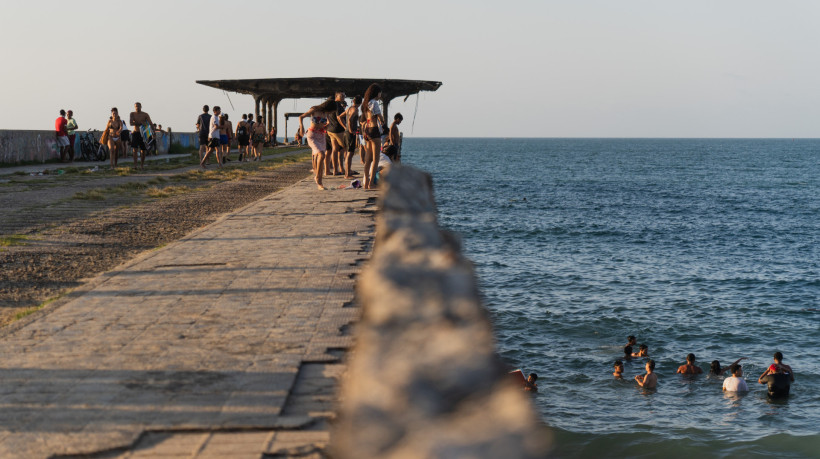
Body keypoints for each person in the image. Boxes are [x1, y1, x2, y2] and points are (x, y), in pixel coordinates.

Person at [298, 97, 336, 190]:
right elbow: (301, 117)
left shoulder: (326, 113)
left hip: (321, 136)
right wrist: (302, 127)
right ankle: (318, 179)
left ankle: (319, 179)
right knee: (322, 155)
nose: (331, 112)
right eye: (331, 110)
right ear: (328, 107)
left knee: (322, 157)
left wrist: (326, 126)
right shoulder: (314, 110)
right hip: (312, 135)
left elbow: (327, 123)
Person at [361, 83, 385, 189]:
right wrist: (383, 123)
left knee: (368, 159)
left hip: (367, 130)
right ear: (377, 93)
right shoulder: (374, 103)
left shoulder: (366, 103)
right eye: (380, 93)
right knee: (376, 159)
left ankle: (366, 183)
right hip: (374, 130)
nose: (380, 95)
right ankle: (371, 183)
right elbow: (380, 117)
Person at [325, 91, 346, 176]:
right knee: (346, 148)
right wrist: (345, 127)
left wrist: (328, 122)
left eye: (344, 95)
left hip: (330, 130)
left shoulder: (331, 105)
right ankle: (345, 169)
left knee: (335, 149)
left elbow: (327, 115)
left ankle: (335, 171)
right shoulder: (338, 106)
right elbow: (339, 118)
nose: (344, 97)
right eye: (342, 95)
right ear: (336, 96)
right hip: (338, 130)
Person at [129, 102, 154, 169]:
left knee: (143, 150)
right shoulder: (132, 114)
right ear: (134, 107)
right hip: (136, 132)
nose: (137, 108)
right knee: (135, 149)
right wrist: (141, 123)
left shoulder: (145, 114)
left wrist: (153, 133)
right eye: (136, 106)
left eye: (138, 106)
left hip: (143, 134)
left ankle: (142, 165)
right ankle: (135, 166)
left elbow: (150, 123)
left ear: (141, 107)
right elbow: (131, 123)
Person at [342, 95, 361, 178]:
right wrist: (350, 130)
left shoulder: (349, 108)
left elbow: (339, 117)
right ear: (360, 103)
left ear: (353, 101)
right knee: (350, 154)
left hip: (346, 132)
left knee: (349, 153)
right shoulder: (355, 109)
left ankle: (348, 172)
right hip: (350, 133)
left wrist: (345, 127)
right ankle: (347, 174)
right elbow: (349, 119)